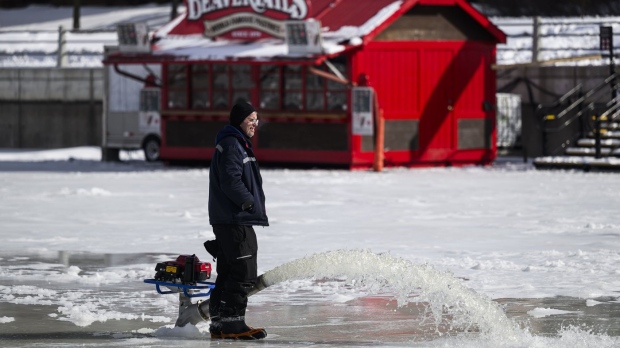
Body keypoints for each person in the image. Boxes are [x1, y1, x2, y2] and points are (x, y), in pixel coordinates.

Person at [207, 102, 268, 340]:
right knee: (243, 272)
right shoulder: (233, 144)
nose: (255, 123)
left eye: (257, 119)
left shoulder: (235, 142)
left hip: (229, 218)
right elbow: (230, 179)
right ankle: (232, 323)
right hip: (234, 218)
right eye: (251, 119)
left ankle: (220, 323)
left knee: (229, 272)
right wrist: (247, 202)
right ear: (240, 120)